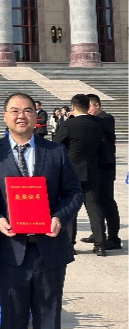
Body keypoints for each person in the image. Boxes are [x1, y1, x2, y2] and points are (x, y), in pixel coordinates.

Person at [0, 93, 82, 329]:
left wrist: (59, 218)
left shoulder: (55, 152)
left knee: (48, 318)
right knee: (12, 319)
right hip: (11, 250)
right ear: (5, 116)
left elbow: (73, 193)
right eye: (14, 110)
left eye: (27, 110)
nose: (21, 116)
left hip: (48, 249)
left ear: (36, 115)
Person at [54, 94, 106, 255]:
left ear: (73, 107)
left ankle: (70, 244)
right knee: (94, 207)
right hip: (92, 170)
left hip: (72, 171)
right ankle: (100, 245)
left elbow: (56, 144)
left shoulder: (69, 124)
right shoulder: (98, 123)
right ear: (88, 106)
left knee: (71, 207)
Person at [86, 94, 121, 250]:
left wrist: (81, 117)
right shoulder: (93, 120)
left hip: (105, 166)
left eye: (89, 107)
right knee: (95, 201)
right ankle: (98, 233)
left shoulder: (106, 118)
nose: (87, 110)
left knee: (107, 201)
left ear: (97, 105)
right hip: (94, 165)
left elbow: (99, 124)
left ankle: (114, 237)